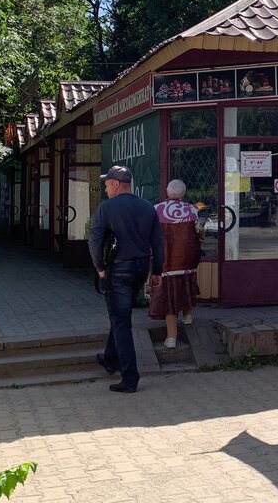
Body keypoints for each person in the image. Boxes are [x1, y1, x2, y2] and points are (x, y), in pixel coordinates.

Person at [89, 165, 164, 393]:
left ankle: (130, 378)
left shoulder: (107, 208)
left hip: (119, 269)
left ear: (115, 184)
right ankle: (110, 359)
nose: (105, 189)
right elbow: (158, 243)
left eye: (106, 185)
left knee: (121, 322)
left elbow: (94, 240)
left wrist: (100, 268)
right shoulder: (147, 207)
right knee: (120, 314)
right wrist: (157, 271)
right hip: (141, 267)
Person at [149, 179, 201, 349]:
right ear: (183, 194)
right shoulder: (192, 209)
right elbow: (199, 233)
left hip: (166, 260)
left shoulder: (157, 209)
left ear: (167, 192)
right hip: (188, 259)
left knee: (170, 295)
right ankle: (187, 315)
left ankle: (171, 338)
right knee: (186, 283)